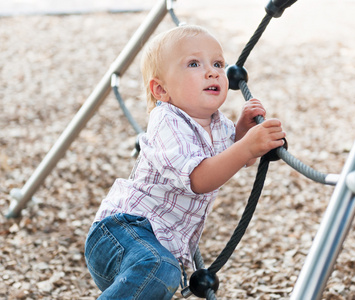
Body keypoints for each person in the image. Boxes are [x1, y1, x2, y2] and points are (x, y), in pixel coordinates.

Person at [84, 25, 285, 299]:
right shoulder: (166, 120)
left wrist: (242, 133)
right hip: (121, 234)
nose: (213, 71)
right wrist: (247, 145)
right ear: (161, 89)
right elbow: (200, 178)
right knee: (162, 270)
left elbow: (234, 158)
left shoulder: (216, 123)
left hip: (147, 249)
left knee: (161, 272)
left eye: (218, 63)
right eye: (194, 64)